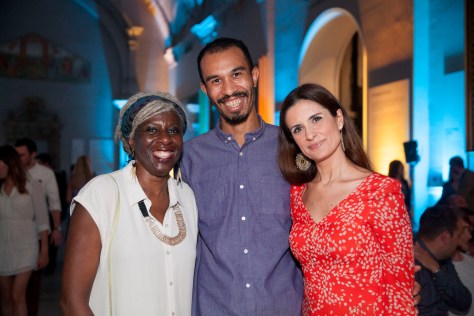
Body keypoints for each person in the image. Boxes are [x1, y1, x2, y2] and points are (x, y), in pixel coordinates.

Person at [180, 37, 304, 315]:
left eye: (236, 74)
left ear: (254, 75)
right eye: (215, 80)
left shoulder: (293, 147)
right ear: (204, 89)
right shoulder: (188, 159)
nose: (229, 90)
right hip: (215, 307)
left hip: (284, 307)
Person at [278, 83, 415, 314]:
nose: (310, 134)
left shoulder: (381, 191)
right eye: (298, 129)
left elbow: (400, 290)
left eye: (316, 119)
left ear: (339, 119)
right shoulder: (297, 194)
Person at [60, 91, 199, 316]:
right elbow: (72, 301)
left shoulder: (187, 197)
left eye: (174, 130)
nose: (165, 139)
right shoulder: (101, 194)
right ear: (131, 141)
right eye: (152, 130)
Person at [14, 138, 62, 316]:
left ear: (32, 154)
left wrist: (56, 228)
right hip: (13, 234)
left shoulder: (45, 173)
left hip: (36, 233)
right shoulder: (12, 173)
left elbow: (54, 203)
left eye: (22, 154)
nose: (19, 158)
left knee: (32, 286)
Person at [0, 145, 50, 316]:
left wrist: (44, 250)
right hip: (3, 248)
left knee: (17, 295)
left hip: (26, 247)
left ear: (10, 164)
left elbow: (43, 221)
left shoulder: (32, 186)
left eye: (1, 165)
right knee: (5, 296)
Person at [414, 205, 472, 315]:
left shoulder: (443, 260)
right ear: (445, 237)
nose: (459, 243)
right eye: (458, 236)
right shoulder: (410, 262)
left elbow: (463, 303)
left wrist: (436, 269)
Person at [35, 152, 68, 275]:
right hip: (44, 214)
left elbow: (59, 197)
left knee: (52, 244)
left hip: (51, 213)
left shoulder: (56, 176)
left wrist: (58, 222)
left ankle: (50, 266)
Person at [449, 207, 474, 316]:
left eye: (469, 230)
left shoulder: (469, 259)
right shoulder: (441, 268)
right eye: (464, 230)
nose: (469, 236)